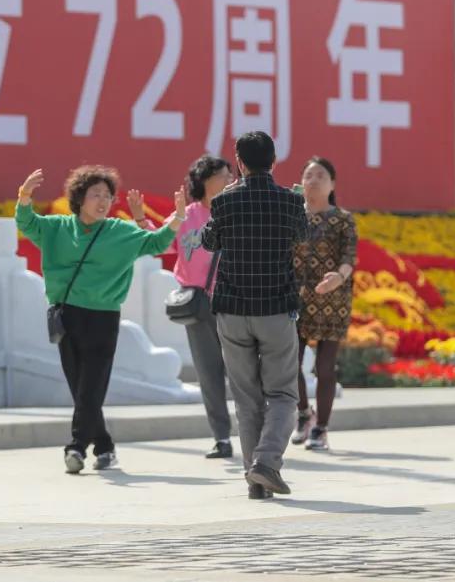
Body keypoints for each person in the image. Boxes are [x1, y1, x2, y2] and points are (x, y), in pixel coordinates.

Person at [16, 165, 186, 475]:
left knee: (91, 385)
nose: (103, 201)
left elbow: (157, 244)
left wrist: (176, 218)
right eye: (95, 194)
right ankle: (104, 446)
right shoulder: (55, 228)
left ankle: (76, 447)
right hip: (66, 315)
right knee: (80, 386)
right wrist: (25, 195)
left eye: (107, 196)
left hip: (103, 318)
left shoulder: (119, 232)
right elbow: (26, 222)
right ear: (79, 198)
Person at [200, 132, 308, 500]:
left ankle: (256, 482)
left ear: (239, 163)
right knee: (282, 394)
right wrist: (296, 204)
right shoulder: (290, 201)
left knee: (246, 398)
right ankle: (265, 463)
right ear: (274, 161)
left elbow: (209, 242)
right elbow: (302, 237)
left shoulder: (225, 201)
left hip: (231, 310)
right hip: (276, 310)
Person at [128, 155, 235, 460]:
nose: (229, 180)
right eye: (223, 175)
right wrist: (139, 219)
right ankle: (222, 437)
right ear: (204, 180)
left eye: (230, 175)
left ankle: (256, 432)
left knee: (242, 371)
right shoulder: (186, 216)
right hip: (199, 305)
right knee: (208, 372)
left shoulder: (238, 213)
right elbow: (160, 243)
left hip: (235, 303)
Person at [291, 157, 358, 451]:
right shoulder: (293, 216)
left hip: (333, 298)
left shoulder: (343, 219)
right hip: (295, 298)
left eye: (321, 175)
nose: (314, 180)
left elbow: (348, 258)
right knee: (288, 362)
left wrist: (339, 277)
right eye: (309, 175)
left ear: (332, 184)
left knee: (325, 367)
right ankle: (304, 413)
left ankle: (321, 428)